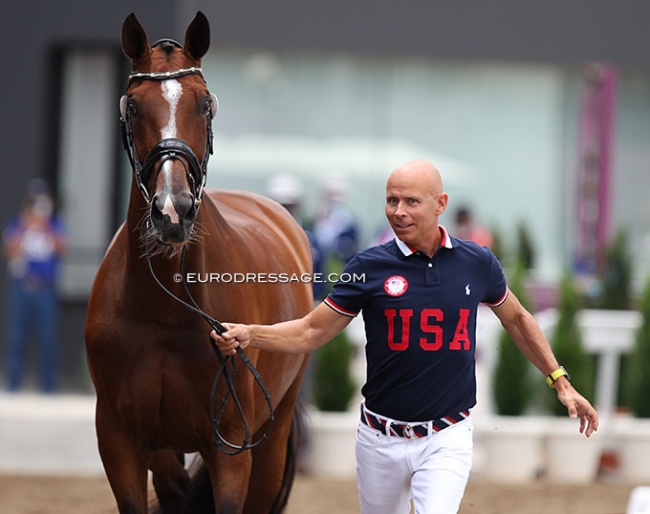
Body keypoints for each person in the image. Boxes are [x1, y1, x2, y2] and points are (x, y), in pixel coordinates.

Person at [212, 160, 599, 514]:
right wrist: (250, 334)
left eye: (411, 201)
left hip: (447, 435)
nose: (398, 211)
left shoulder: (477, 261)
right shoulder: (367, 266)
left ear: (440, 203)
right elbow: (311, 331)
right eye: (391, 200)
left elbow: (517, 319)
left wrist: (560, 382)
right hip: (379, 438)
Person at [3, 179, 66, 393]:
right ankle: (13, 384)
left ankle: (48, 386)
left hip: (45, 289)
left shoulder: (55, 225)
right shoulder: (19, 225)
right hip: (22, 287)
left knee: (47, 338)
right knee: (17, 337)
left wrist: (45, 226)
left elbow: (61, 247)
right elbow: (9, 249)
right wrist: (26, 225)